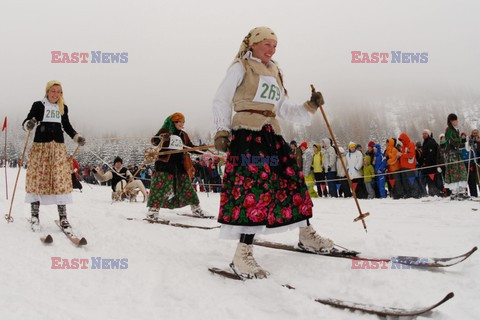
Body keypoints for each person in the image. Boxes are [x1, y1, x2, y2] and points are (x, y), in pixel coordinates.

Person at [212, 26, 332, 279]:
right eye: (267, 44)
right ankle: (242, 253)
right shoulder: (240, 67)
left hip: (271, 132)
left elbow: (283, 108)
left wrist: (309, 107)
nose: (272, 49)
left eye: (275, 45)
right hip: (247, 132)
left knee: (291, 180)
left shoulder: (274, 70)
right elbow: (221, 99)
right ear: (253, 44)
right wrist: (222, 130)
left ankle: (305, 234)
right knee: (254, 188)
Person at [22, 80, 86, 230]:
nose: (56, 94)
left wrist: (77, 137)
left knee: (60, 181)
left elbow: (68, 127)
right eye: (53, 91)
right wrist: (29, 124)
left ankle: (63, 218)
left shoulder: (63, 108)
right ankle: (34, 216)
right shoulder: (38, 105)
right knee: (38, 179)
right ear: (47, 91)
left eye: (59, 92)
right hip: (41, 148)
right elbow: (27, 121)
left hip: (58, 149)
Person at [148, 112, 206, 218]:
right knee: (160, 188)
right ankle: (153, 210)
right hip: (164, 165)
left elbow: (190, 147)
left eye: (182, 122)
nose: (181, 123)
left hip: (179, 166)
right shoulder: (165, 131)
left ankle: (196, 209)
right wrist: (162, 138)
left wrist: (201, 149)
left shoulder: (183, 134)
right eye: (178, 121)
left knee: (187, 187)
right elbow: (154, 141)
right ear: (173, 122)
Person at [444, 114, 468, 200]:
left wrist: (464, 141)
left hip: (457, 154)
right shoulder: (449, 130)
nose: (457, 122)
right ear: (451, 121)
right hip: (452, 155)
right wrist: (463, 142)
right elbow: (453, 142)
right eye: (455, 120)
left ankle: (461, 191)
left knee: (461, 172)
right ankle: (455, 192)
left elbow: (458, 142)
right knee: (454, 173)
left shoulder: (455, 130)